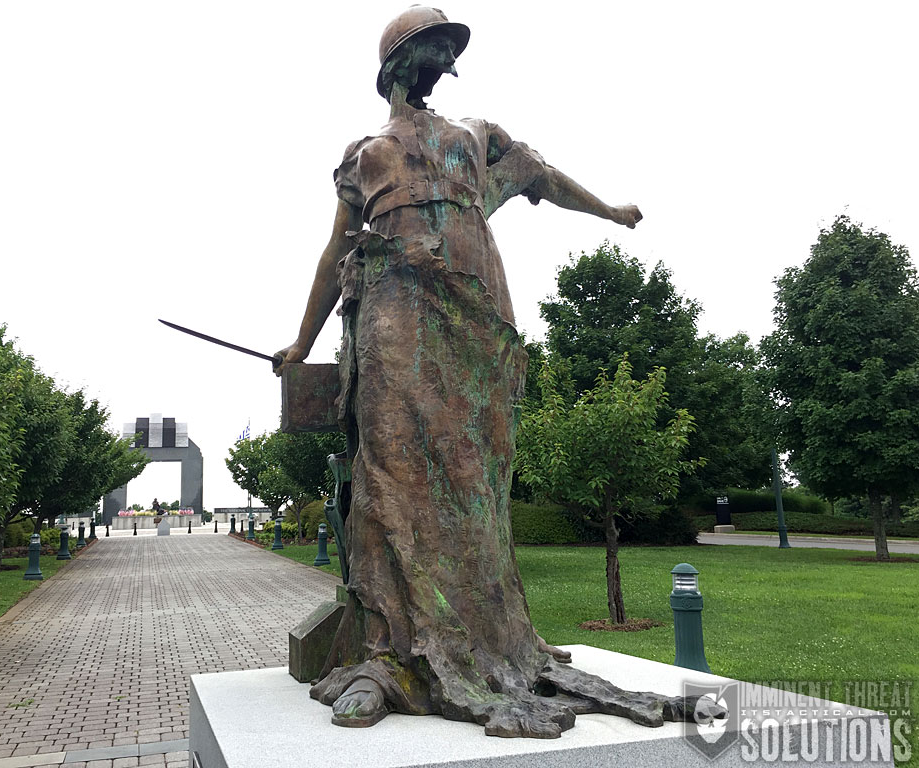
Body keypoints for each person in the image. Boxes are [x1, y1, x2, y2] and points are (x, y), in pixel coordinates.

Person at [274, 6, 699, 738]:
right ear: (397, 70)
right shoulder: (365, 153)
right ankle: (388, 659)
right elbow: (331, 252)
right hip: (393, 308)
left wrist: (612, 213)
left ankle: (487, 641)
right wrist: (301, 341)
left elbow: (543, 176)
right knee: (389, 474)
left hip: (473, 311)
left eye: (445, 54)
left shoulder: (476, 137)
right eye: (429, 52)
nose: (439, 65)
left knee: (475, 478)